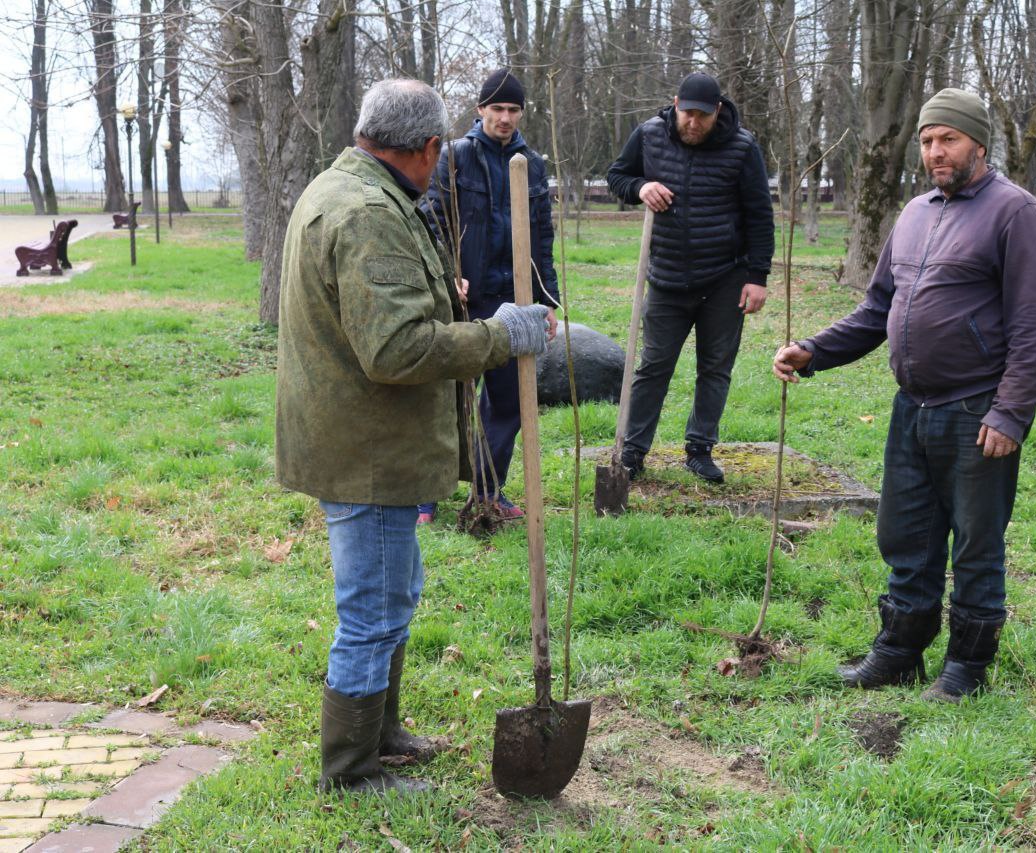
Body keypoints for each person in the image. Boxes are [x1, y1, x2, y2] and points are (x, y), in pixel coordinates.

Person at [275, 78, 554, 793]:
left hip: (360, 437)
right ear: (429, 147)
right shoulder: (369, 213)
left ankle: (382, 732)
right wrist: (498, 335)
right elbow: (396, 349)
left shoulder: (348, 187)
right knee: (372, 611)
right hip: (368, 450)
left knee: (393, 595)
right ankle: (351, 769)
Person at [773, 88, 1036, 701]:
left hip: (977, 409)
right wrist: (814, 350)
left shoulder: (1015, 212)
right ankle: (899, 652)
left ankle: (966, 668)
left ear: (978, 143)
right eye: (928, 140)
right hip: (912, 406)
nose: (935, 151)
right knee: (906, 535)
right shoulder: (914, 213)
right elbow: (877, 308)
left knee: (976, 542)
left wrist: (1010, 413)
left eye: (948, 139)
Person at [606, 71, 775, 483]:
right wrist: (641, 187)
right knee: (653, 367)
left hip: (724, 277)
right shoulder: (649, 135)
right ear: (676, 105)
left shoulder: (742, 147)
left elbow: (760, 214)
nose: (694, 123)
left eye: (703, 115)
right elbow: (617, 176)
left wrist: (757, 276)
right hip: (666, 276)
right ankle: (632, 451)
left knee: (715, 368)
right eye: (688, 114)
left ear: (717, 111)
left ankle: (700, 449)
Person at [417, 68, 559, 525]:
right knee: (449, 401)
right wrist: (448, 275)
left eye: (513, 110)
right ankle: (425, 497)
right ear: (480, 110)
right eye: (497, 108)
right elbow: (431, 220)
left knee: (509, 403)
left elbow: (542, 237)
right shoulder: (455, 156)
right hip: (465, 299)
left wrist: (548, 301)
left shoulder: (531, 163)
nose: (505, 118)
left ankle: (487, 490)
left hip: (513, 301)